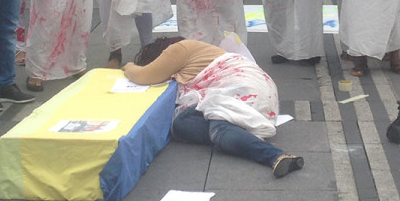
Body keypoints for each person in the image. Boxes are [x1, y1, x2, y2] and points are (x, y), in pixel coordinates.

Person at [123, 37, 303, 178]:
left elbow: (144, 76)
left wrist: (128, 67)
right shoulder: (195, 52)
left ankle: (275, 156)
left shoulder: (179, 49)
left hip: (244, 86)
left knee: (220, 131)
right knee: (180, 123)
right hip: (250, 87)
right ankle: (238, 134)